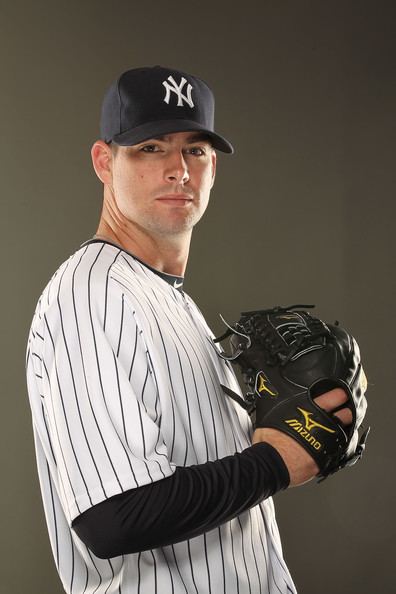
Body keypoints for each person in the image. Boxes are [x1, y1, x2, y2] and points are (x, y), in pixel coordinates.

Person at [26, 66, 352, 594]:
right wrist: (274, 463)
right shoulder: (91, 295)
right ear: (104, 162)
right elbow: (111, 517)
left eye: (195, 150)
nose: (178, 169)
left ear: (214, 167)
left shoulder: (170, 300)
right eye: (151, 147)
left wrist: (292, 431)